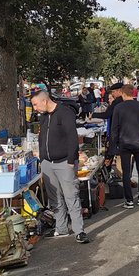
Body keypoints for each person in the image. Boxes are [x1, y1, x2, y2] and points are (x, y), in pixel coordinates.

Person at [30, 91, 90, 244]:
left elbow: (72, 137)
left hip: (65, 162)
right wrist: (42, 157)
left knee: (71, 196)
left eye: (35, 104)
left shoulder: (65, 113)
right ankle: (61, 228)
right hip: (47, 163)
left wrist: (71, 160)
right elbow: (42, 137)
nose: (34, 108)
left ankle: (79, 231)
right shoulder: (43, 116)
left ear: (44, 101)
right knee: (54, 198)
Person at [112, 85, 139, 209]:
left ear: (123, 94)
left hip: (124, 143)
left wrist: (115, 142)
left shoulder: (118, 107)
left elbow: (115, 128)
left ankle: (129, 200)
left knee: (126, 171)